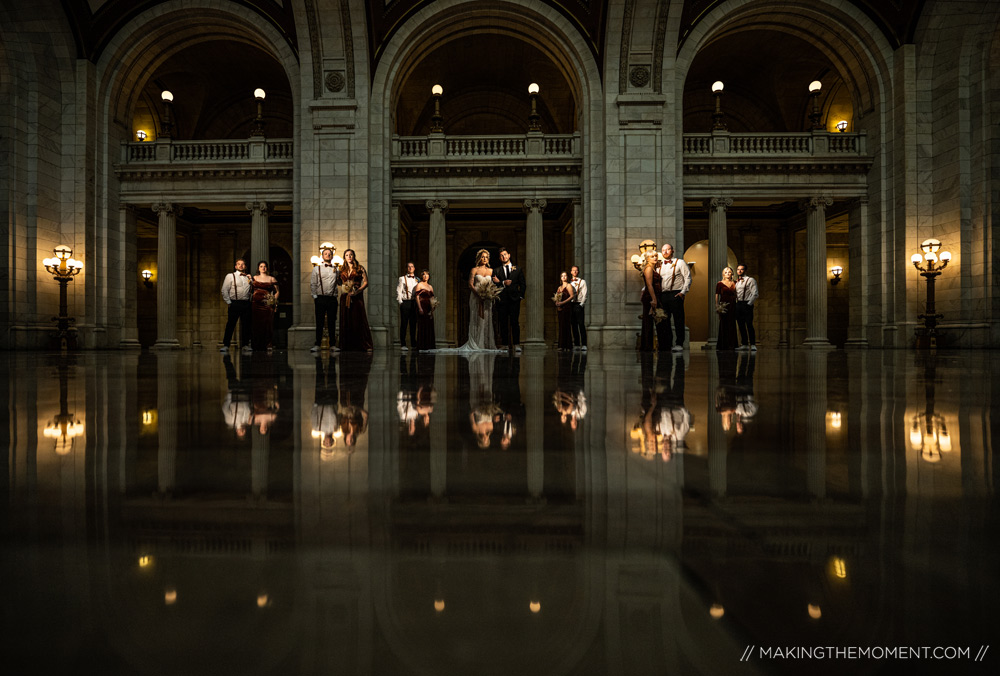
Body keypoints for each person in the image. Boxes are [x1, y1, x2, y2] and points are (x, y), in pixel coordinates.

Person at [658, 243, 691, 353]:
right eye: (663, 250)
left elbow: (688, 278)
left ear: (672, 251)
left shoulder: (680, 262)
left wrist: (683, 292)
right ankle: (668, 344)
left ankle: (679, 343)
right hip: (663, 295)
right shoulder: (659, 264)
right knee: (664, 321)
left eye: (668, 249)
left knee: (678, 320)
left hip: (676, 294)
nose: (665, 252)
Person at [338, 249, 373, 351]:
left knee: (358, 318)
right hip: (345, 297)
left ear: (354, 256)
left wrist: (357, 291)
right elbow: (339, 282)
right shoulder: (341, 269)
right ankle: (346, 345)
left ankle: (362, 344)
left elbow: (366, 282)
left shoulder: (359, 268)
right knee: (346, 319)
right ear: (344, 257)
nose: (349, 256)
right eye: (347, 255)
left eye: (351, 255)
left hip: (357, 296)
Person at [463, 249, 499, 350]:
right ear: (479, 258)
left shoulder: (491, 271)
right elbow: (470, 284)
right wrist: (478, 294)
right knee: (477, 318)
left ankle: (486, 343)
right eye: (482, 257)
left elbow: (493, 284)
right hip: (475, 297)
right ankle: (476, 343)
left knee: (486, 319)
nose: (484, 259)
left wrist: (489, 294)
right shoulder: (474, 269)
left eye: (486, 257)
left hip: (487, 298)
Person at [493, 247, 525, 351]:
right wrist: (502, 282)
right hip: (502, 300)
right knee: (503, 322)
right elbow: (494, 284)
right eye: (502, 255)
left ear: (509, 255)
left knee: (515, 322)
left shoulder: (518, 269)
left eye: (505, 254)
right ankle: (505, 344)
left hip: (515, 299)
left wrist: (520, 296)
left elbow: (523, 284)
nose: (504, 257)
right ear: (500, 258)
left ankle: (516, 344)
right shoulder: (496, 270)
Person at [310, 247, 340, 353]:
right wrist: (315, 297)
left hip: (332, 298)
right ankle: (317, 344)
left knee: (332, 321)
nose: (328, 255)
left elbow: (339, 283)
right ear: (322, 256)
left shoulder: (337, 269)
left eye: (330, 254)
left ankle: (332, 344)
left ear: (332, 256)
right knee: (320, 322)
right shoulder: (316, 269)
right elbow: (313, 283)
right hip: (320, 298)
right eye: (326, 253)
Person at [220, 258, 253, 353]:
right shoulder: (230, 276)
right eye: (239, 264)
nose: (241, 265)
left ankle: (245, 345)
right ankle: (226, 345)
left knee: (246, 325)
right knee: (231, 324)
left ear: (245, 266)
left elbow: (253, 290)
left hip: (246, 303)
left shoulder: (248, 277)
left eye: (243, 264)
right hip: (235, 302)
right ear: (236, 266)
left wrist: (251, 280)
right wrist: (229, 302)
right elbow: (224, 290)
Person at [250, 260, 278, 352]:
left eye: (265, 266)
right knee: (256, 323)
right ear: (258, 268)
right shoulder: (254, 278)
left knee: (268, 323)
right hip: (256, 303)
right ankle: (256, 345)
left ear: (267, 268)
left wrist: (273, 300)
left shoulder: (271, 279)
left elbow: (277, 292)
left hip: (267, 304)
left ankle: (268, 343)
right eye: (261, 266)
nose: (263, 268)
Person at [639, 251, 661, 351]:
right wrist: (654, 299)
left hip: (652, 296)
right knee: (648, 322)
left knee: (649, 321)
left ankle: (647, 346)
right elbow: (649, 285)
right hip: (649, 297)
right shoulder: (648, 268)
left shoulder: (653, 268)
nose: (655, 257)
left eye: (656, 256)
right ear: (647, 258)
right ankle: (647, 347)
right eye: (652, 256)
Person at [734, 264, 759, 351]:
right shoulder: (736, 282)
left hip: (747, 304)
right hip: (739, 304)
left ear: (745, 270)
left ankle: (752, 344)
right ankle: (744, 343)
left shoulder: (750, 280)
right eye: (738, 269)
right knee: (740, 325)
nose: (739, 271)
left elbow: (755, 293)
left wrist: (749, 304)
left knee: (749, 324)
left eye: (741, 269)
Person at [396, 261, 419, 350]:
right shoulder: (402, 278)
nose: (410, 268)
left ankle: (413, 344)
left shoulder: (417, 279)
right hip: (406, 302)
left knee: (413, 324)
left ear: (414, 268)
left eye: (412, 266)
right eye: (408, 266)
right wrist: (401, 302)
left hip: (414, 303)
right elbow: (399, 291)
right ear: (406, 268)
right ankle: (403, 344)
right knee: (404, 324)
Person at [715, 266, 739, 350]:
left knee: (732, 323)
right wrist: (717, 305)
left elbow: (737, 293)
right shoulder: (719, 283)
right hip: (724, 304)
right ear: (723, 274)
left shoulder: (735, 283)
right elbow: (717, 294)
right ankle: (723, 344)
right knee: (723, 323)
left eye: (729, 272)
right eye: (725, 272)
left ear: (732, 273)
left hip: (733, 304)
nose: (727, 273)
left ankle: (732, 344)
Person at [414, 269, 436, 350]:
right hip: (422, 306)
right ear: (422, 276)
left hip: (429, 307)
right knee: (422, 325)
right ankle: (422, 345)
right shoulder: (419, 285)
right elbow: (417, 297)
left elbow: (432, 298)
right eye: (424, 274)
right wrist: (419, 308)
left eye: (427, 274)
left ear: (429, 276)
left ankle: (429, 345)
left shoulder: (430, 287)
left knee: (429, 325)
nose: (426, 276)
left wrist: (433, 307)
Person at [553, 271, 575, 350]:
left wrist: (562, 302)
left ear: (567, 277)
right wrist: (557, 303)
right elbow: (557, 297)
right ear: (560, 278)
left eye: (565, 276)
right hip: (560, 308)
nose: (564, 277)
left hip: (567, 307)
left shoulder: (569, 286)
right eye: (562, 276)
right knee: (561, 326)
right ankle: (561, 345)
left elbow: (571, 296)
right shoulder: (559, 287)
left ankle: (568, 346)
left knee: (566, 326)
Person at [569, 265, 588, 351]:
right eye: (573, 270)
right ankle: (576, 344)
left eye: (576, 270)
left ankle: (584, 344)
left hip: (579, 304)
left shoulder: (582, 282)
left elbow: (585, 294)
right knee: (573, 324)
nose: (575, 272)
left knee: (581, 324)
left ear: (578, 272)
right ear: (571, 272)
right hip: (572, 304)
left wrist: (581, 305)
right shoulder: (569, 283)